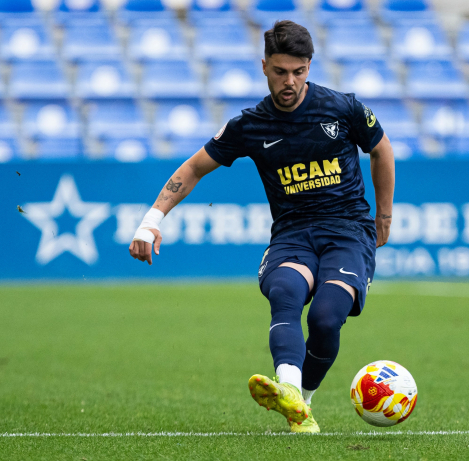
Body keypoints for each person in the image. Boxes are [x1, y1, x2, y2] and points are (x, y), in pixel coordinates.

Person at [129, 20, 395, 433]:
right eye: (280, 71)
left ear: (309, 67)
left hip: (347, 230)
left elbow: (382, 150)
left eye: (299, 72)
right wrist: (151, 221)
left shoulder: (342, 108)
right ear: (265, 66)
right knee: (285, 291)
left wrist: (384, 216)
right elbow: (194, 167)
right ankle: (288, 389)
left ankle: (302, 400)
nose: (290, 82)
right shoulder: (250, 125)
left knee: (326, 318)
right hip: (292, 234)